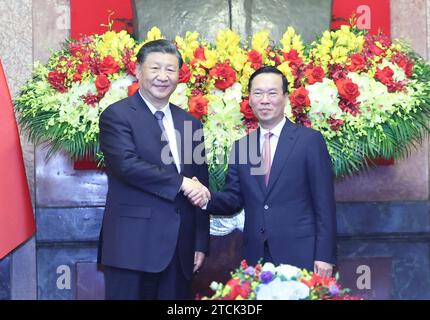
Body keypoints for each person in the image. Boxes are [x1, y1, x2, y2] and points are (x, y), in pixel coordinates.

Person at [191, 66, 337, 277]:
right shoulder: (243, 147)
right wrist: (204, 198)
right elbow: (233, 199)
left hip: (302, 254)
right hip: (256, 255)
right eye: (258, 93)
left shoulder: (309, 141)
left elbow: (324, 204)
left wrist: (325, 256)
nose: (265, 100)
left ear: (285, 97)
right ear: (249, 99)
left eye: (272, 93)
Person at [98, 39, 210, 300]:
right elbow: (127, 165)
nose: (163, 77)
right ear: (138, 71)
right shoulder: (117, 116)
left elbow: (200, 184)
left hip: (179, 251)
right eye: (155, 68)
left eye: (170, 70)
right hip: (131, 249)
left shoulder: (190, 124)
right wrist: (181, 182)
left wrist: (200, 242)